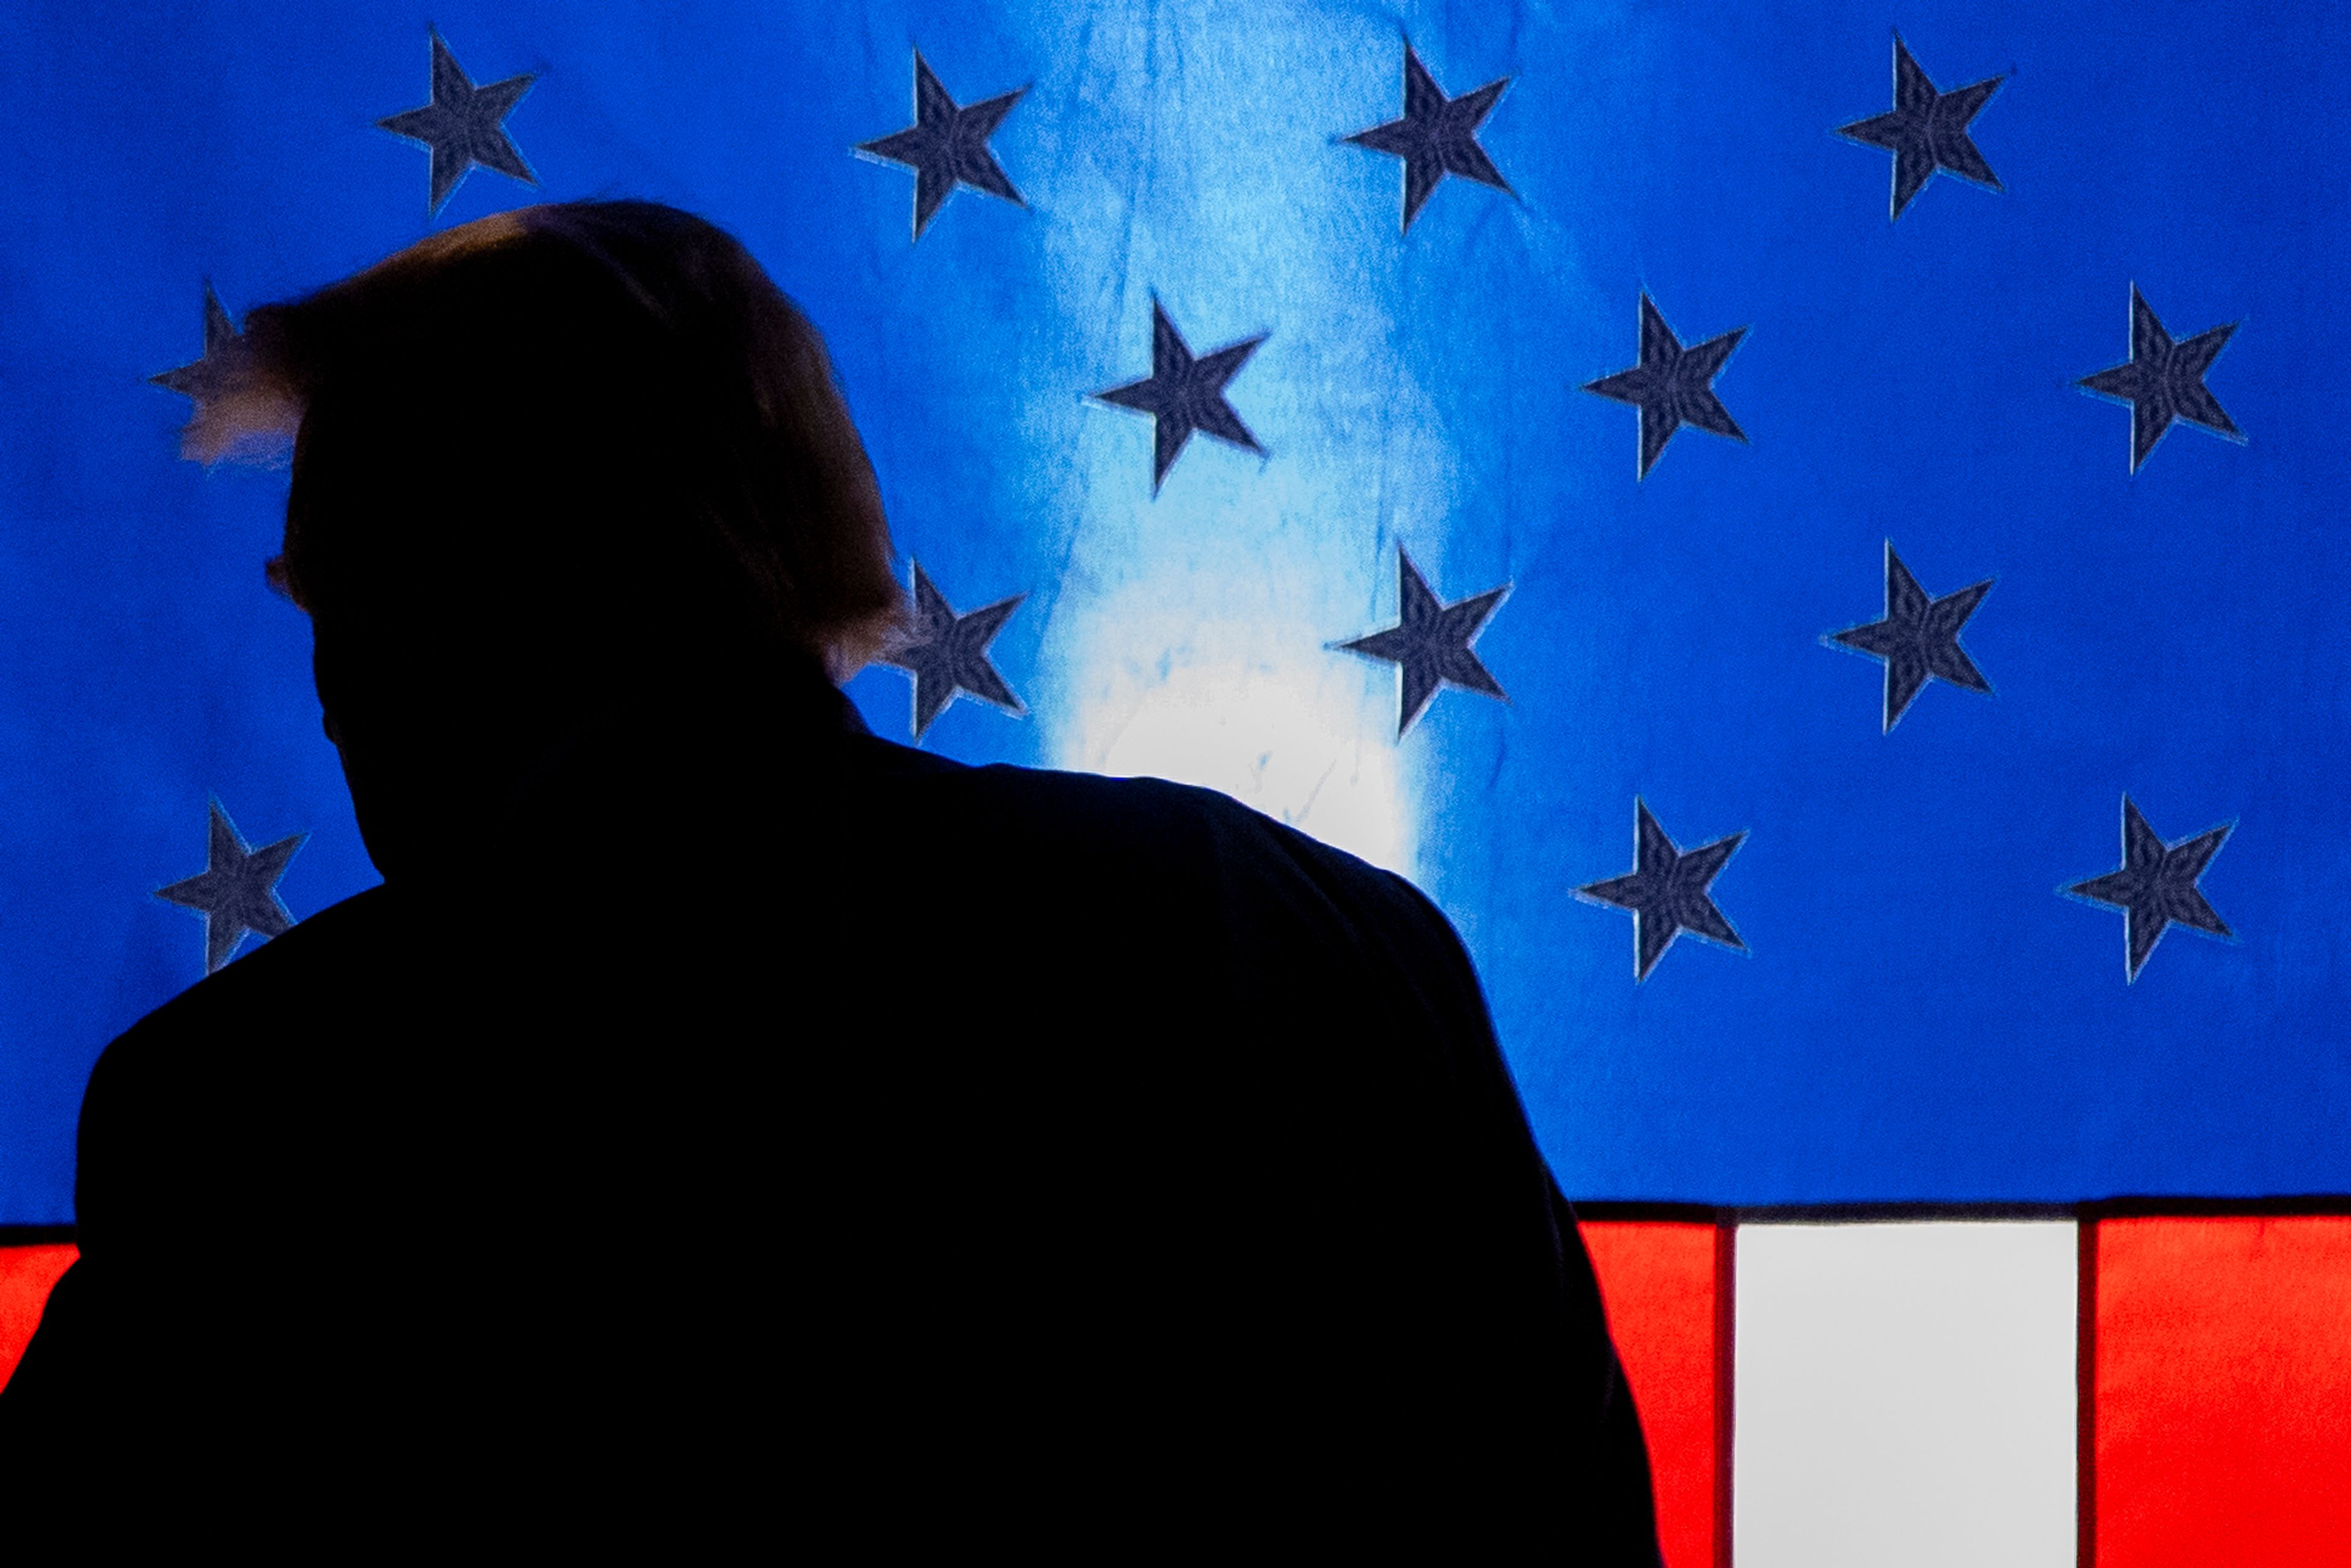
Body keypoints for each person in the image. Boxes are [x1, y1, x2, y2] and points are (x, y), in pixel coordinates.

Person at [0, 201, 1660, 1552]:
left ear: (479, 586)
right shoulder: (1302, 944)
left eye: (335, 577)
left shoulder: (265, 1113)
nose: (325, 672)